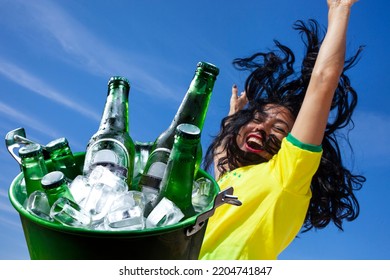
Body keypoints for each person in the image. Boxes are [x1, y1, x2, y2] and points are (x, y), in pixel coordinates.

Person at [199, 0, 366, 260]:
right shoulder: (231, 179)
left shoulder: (287, 174)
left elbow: (322, 82)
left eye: (278, 128)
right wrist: (233, 117)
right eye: (257, 118)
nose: (262, 128)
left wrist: (339, 8)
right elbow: (223, 155)